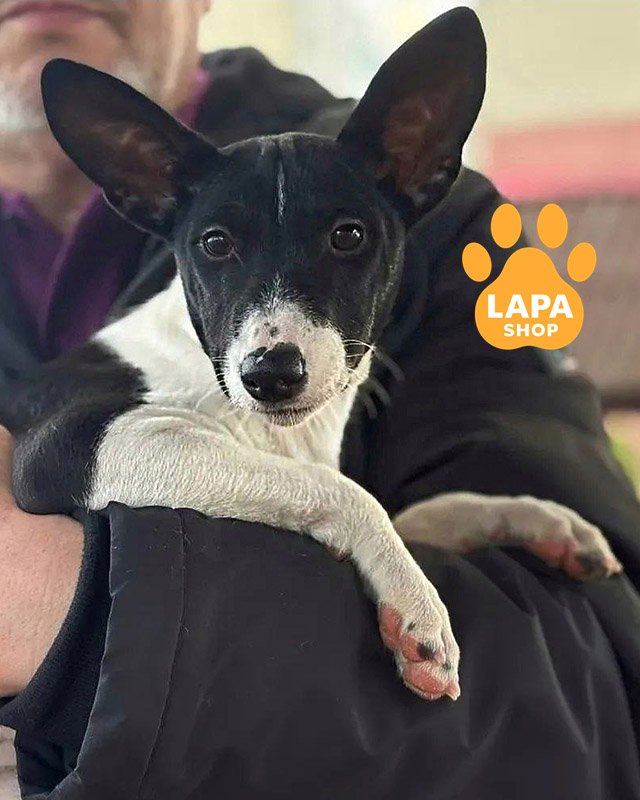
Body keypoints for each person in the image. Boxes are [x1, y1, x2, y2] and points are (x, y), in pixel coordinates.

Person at [1, 2, 640, 798]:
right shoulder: (129, 373)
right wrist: (343, 513)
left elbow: (602, 693)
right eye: (218, 246)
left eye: (346, 240)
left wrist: (73, 611)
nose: (274, 340)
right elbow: (92, 456)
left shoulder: (456, 241)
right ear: (137, 186)